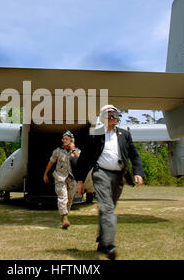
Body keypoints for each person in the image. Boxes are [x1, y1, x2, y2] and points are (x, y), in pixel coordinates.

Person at [75, 105, 144, 259]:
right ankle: (110, 246)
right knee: (107, 209)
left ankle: (102, 241)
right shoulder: (95, 135)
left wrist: (138, 173)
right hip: (101, 174)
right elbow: (84, 158)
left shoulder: (124, 134)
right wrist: (80, 180)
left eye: (115, 114)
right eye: (110, 115)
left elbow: (135, 155)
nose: (113, 117)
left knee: (108, 208)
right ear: (103, 118)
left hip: (119, 176)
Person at [43, 131, 81, 229]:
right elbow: (51, 162)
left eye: (66, 139)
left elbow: (81, 161)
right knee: (62, 196)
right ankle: (64, 218)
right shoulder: (58, 151)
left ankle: (64, 215)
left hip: (72, 177)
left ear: (71, 140)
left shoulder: (77, 151)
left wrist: (73, 150)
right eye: (63, 139)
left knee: (69, 198)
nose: (63, 140)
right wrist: (45, 174)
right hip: (60, 176)